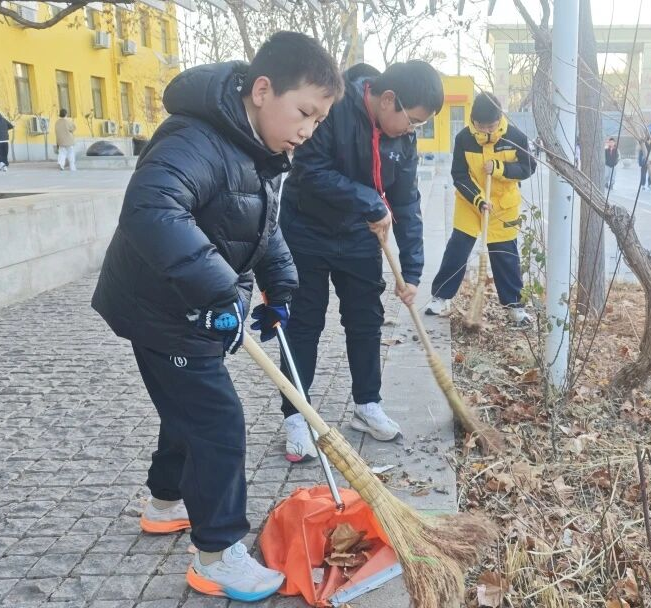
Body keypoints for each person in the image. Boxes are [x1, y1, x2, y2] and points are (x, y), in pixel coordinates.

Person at [90, 31, 343, 602]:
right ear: (263, 90)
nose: (309, 129)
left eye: (319, 120)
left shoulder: (260, 149)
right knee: (218, 421)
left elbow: (259, 224)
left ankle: (164, 504)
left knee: (188, 411)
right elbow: (151, 208)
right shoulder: (196, 138)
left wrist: (280, 285)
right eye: (304, 112)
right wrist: (221, 288)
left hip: (195, 307)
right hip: (164, 308)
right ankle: (217, 554)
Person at [277, 60, 443, 462]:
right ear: (388, 100)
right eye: (413, 120)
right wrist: (370, 201)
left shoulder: (402, 140)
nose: (412, 130)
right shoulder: (333, 107)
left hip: (361, 236)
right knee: (304, 323)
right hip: (307, 231)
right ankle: (296, 416)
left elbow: (406, 202)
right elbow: (310, 170)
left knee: (366, 321)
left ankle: (368, 405)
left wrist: (413, 272)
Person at [425, 92, 536, 327]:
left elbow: (528, 168)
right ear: (473, 120)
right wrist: (478, 199)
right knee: (457, 248)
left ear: (499, 118)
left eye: (491, 126)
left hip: (503, 206)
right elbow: (459, 174)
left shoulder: (516, 137)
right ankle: (441, 296)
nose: (485, 131)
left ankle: (515, 306)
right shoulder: (464, 138)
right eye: (480, 126)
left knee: (505, 255)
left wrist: (500, 168)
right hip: (471, 203)